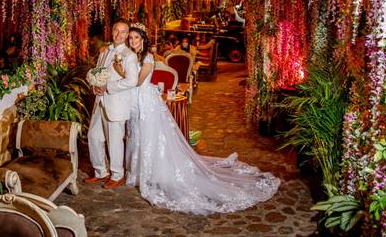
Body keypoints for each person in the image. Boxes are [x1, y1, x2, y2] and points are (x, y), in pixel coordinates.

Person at [119, 23, 280, 214]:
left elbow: (136, 81)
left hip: (146, 102)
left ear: (143, 40)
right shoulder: (131, 56)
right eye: (131, 38)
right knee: (136, 136)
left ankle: (155, 174)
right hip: (135, 103)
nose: (133, 41)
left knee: (150, 137)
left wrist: (118, 69)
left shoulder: (148, 57)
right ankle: (137, 173)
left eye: (136, 38)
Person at [84, 19, 138, 189]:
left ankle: (117, 175)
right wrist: (95, 86)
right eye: (116, 30)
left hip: (116, 103)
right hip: (100, 101)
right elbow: (97, 72)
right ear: (111, 31)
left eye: (123, 32)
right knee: (93, 137)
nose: (118, 34)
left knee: (114, 140)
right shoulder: (104, 52)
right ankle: (101, 172)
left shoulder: (130, 55)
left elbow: (132, 81)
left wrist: (108, 87)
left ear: (127, 34)